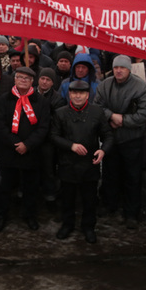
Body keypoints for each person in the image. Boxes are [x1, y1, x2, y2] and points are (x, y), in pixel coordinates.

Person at [93, 55, 146, 229]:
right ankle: (109, 204)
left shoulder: (140, 87)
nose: (119, 70)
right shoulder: (105, 85)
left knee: (132, 177)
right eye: (116, 67)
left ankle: (131, 213)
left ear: (129, 69)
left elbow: (144, 113)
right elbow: (98, 106)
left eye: (123, 68)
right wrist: (111, 116)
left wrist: (123, 120)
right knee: (109, 174)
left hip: (132, 139)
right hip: (110, 139)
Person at [50, 80, 112, 243]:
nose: (78, 96)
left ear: (88, 95)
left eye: (82, 93)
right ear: (69, 94)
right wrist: (71, 146)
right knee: (67, 198)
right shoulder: (60, 113)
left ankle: (88, 227)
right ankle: (67, 225)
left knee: (90, 199)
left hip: (89, 164)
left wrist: (103, 150)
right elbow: (54, 136)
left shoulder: (97, 112)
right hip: (67, 163)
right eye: (74, 93)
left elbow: (108, 135)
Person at [0, 66, 51, 232]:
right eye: (20, 77)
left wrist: (28, 144)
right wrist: (15, 143)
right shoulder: (4, 99)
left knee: (30, 188)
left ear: (32, 81)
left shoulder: (41, 101)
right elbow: (0, 125)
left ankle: (30, 215)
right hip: (8, 151)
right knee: (4, 187)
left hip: (31, 151)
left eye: (27, 78)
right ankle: (1, 215)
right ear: (14, 79)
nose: (23, 80)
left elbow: (44, 127)